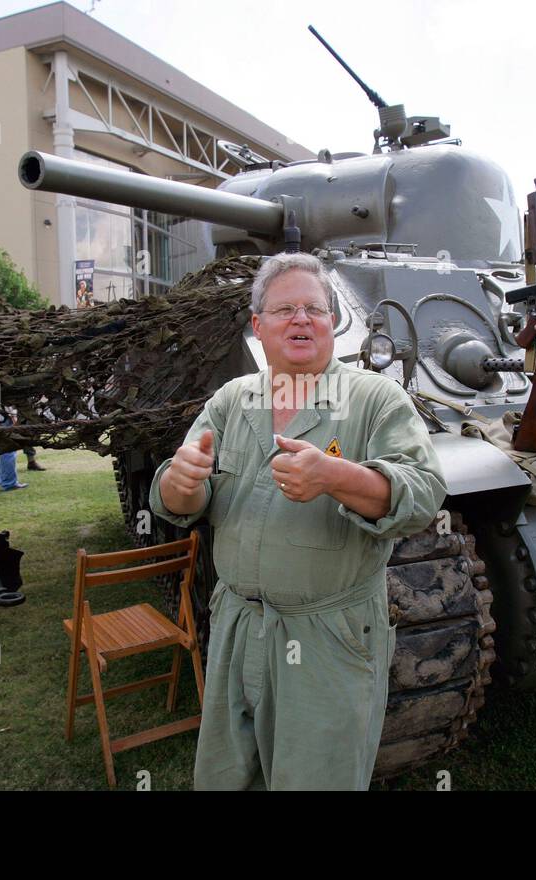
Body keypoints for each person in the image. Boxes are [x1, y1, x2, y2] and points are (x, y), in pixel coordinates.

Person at [150, 252, 446, 790]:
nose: (302, 319)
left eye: (315, 308)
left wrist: (337, 477)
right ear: (258, 326)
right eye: (285, 309)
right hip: (237, 626)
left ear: (333, 323)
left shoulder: (373, 398)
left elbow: (424, 495)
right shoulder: (232, 400)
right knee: (226, 776)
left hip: (327, 640)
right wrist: (181, 484)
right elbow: (177, 494)